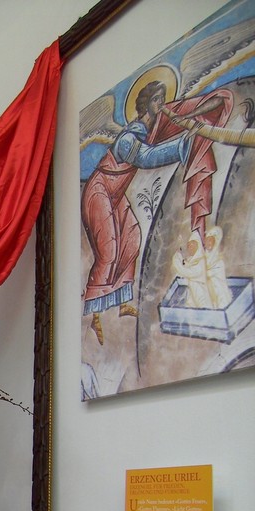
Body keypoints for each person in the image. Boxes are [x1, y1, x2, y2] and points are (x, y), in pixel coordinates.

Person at [81, 79, 232, 344]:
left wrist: (204, 112)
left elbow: (178, 116)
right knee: (109, 250)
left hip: (115, 194)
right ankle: (94, 315)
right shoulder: (128, 137)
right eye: (155, 100)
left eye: (162, 98)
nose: (161, 104)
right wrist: (182, 145)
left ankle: (122, 302)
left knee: (131, 238)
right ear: (144, 105)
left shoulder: (152, 129)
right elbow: (146, 157)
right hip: (99, 191)